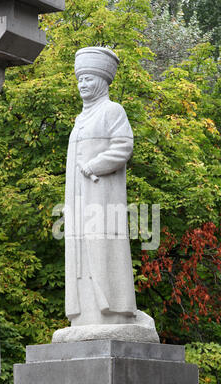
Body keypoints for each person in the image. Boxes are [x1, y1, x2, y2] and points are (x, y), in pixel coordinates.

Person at [64, 47, 141, 328]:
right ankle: (85, 314)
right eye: (80, 80)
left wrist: (95, 165)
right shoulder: (79, 119)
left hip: (102, 199)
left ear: (103, 81)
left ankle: (114, 312)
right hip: (78, 202)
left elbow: (124, 146)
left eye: (88, 79)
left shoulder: (112, 110)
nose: (83, 85)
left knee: (104, 251)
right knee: (81, 257)